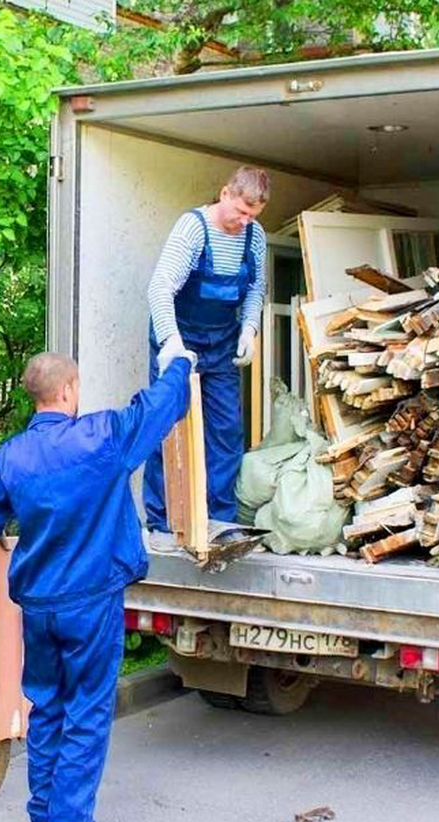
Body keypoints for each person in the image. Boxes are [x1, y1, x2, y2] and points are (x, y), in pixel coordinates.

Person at [0, 344, 195, 822]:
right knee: (87, 706)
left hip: (38, 606)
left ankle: (43, 817)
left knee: (46, 705)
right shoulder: (101, 438)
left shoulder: (12, 457)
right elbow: (156, 409)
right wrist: (180, 362)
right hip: (90, 602)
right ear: (67, 391)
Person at [144, 165, 269, 552]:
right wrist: (171, 344)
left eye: (252, 215)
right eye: (241, 211)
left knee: (227, 431)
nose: (244, 221)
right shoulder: (193, 228)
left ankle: (221, 520)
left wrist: (249, 328)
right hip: (179, 336)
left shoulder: (255, 236)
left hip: (222, 342)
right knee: (167, 427)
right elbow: (160, 288)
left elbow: (255, 287)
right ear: (225, 193)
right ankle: (161, 522)